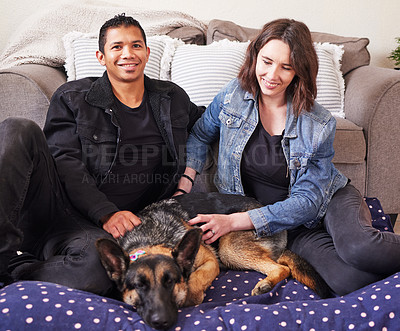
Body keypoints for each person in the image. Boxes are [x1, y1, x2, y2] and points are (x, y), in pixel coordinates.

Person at [176, 18, 400, 296]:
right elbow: (199, 135)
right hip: (290, 229)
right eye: (267, 61)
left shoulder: (318, 123)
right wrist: (184, 184)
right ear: (255, 56)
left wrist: (233, 221)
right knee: (349, 282)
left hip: (325, 201)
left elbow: (307, 202)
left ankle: (357, 239)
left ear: (300, 71)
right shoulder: (232, 96)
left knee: (359, 247)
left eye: (286, 67)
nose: (272, 75)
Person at [0, 14, 203, 293]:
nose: (128, 54)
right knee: (17, 129)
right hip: (55, 205)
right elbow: (64, 161)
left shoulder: (172, 99)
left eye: (136, 45)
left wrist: (188, 177)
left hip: (89, 233)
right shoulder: (73, 97)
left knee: (97, 275)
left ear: (147, 51)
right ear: (101, 56)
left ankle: (18, 268)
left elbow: (209, 124)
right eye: (117, 47)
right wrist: (107, 213)